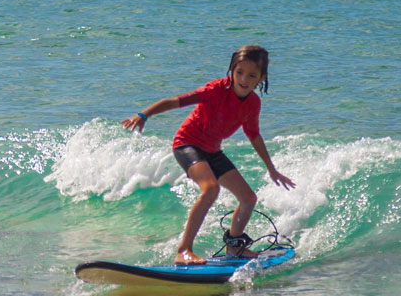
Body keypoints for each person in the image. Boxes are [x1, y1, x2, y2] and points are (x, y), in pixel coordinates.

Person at [122, 45, 296, 265]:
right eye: (239, 72)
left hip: (212, 150)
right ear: (232, 70)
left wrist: (271, 169)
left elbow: (254, 135)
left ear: (261, 78)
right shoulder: (215, 90)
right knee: (211, 188)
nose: (243, 79)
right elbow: (176, 101)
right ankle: (184, 250)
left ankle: (234, 248)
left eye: (252, 75)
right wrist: (144, 114)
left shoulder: (253, 104)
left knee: (249, 198)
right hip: (187, 144)